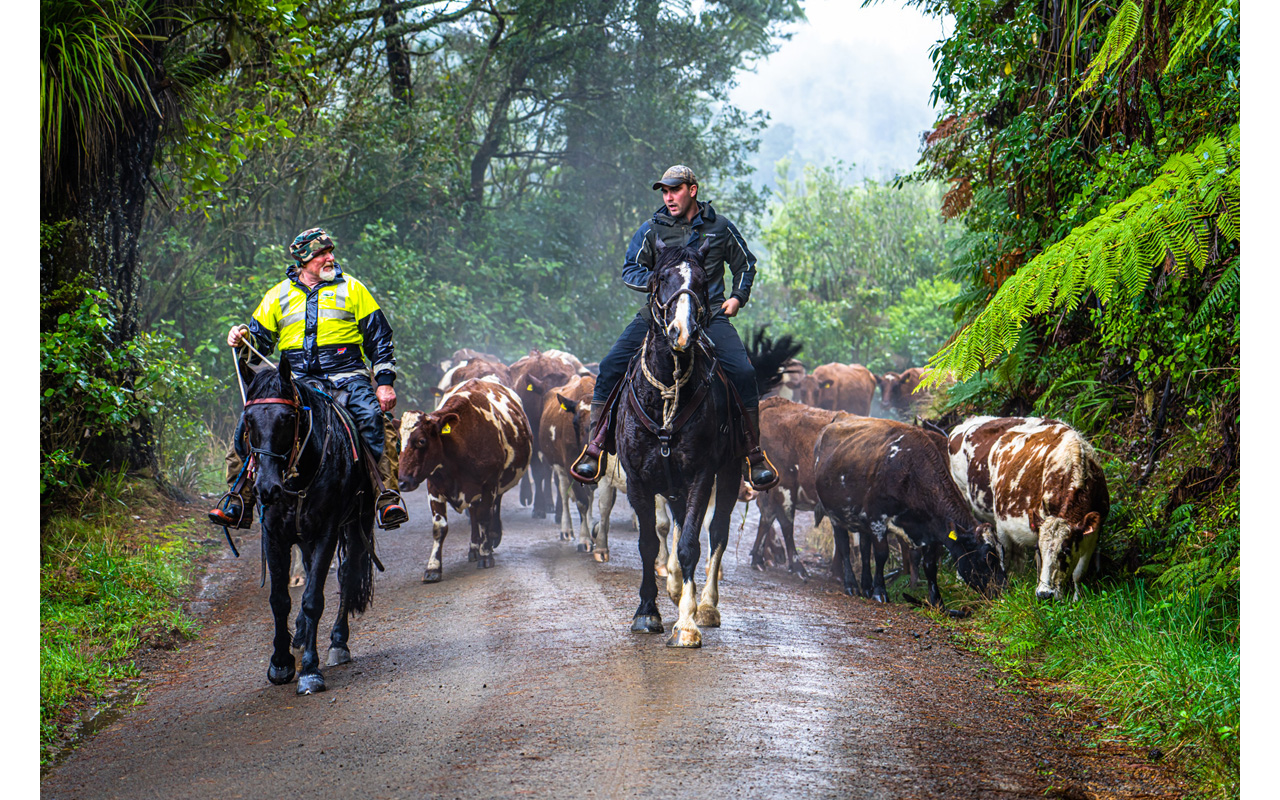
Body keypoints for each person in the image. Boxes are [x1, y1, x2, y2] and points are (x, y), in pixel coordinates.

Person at [569, 164, 778, 491]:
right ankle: (595, 447)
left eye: (675, 190)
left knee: (744, 372)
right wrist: (656, 282)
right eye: (664, 191)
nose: (669, 197)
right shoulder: (652, 229)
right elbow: (630, 269)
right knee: (610, 366)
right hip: (659, 317)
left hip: (709, 316)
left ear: (691, 190)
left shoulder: (720, 228)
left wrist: (738, 297)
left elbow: (746, 264)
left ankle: (753, 452)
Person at [208, 227, 409, 530]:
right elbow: (257, 347)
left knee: (372, 418)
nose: (330, 258)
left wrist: (383, 382)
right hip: (296, 380)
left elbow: (380, 338)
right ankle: (239, 499)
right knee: (249, 424)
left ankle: (385, 497)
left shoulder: (354, 289)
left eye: (330, 252)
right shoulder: (276, 296)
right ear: (304, 261)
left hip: (348, 377)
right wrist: (240, 337)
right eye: (321, 254)